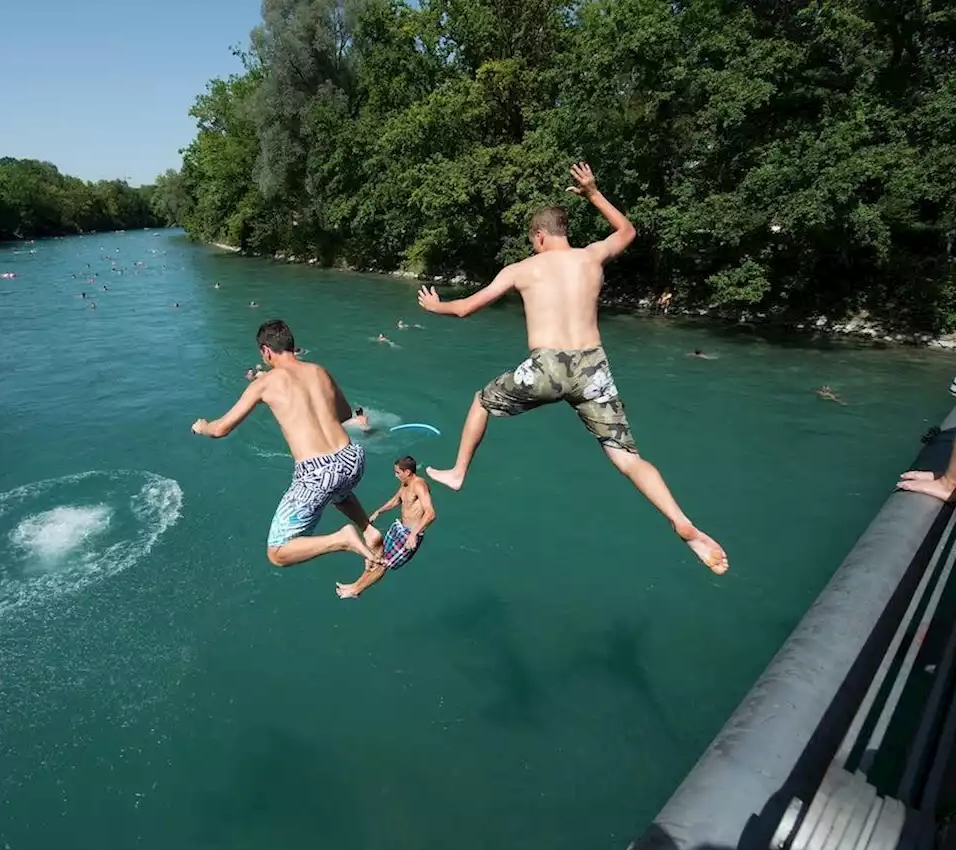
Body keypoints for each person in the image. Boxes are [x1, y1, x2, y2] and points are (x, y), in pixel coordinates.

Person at [417, 162, 728, 575]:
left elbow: (465, 309)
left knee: (480, 401)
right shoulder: (591, 256)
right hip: (592, 368)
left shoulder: (522, 269)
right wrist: (594, 192)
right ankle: (678, 518)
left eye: (533, 240)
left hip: (546, 367)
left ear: (540, 236)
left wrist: (435, 305)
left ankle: (458, 473)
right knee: (626, 456)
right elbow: (628, 232)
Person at [193, 320, 382, 567]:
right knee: (337, 490)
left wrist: (202, 426)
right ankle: (368, 529)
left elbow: (220, 429)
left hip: (317, 471)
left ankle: (343, 539)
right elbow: (346, 415)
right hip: (351, 458)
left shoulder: (264, 383)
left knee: (278, 552)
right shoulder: (319, 371)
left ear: (266, 351)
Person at [337, 456, 436, 599]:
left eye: (397, 472)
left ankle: (356, 591)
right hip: (400, 527)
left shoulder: (419, 485)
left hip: (410, 534)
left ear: (407, 472)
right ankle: (355, 585)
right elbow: (396, 499)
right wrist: (379, 511)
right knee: (377, 557)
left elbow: (431, 513)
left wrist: (413, 535)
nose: (395, 475)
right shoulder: (405, 484)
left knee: (384, 564)